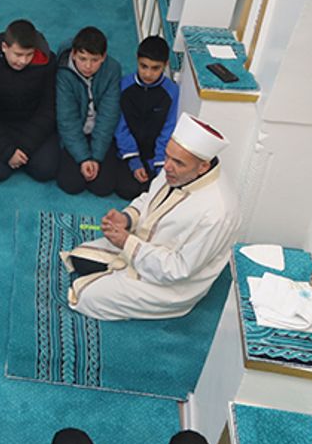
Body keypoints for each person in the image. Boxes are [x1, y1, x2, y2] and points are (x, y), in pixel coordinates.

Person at [61, 114, 241, 320]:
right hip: (144, 245)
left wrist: (127, 243)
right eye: (167, 156)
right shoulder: (178, 170)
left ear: (203, 167)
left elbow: (179, 270)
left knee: (83, 296)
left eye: (178, 162)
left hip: (171, 284)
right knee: (80, 258)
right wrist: (127, 218)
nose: (167, 167)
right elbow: (148, 199)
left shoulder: (218, 213)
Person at [0, 19, 61, 184]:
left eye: (29, 55)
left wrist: (25, 147)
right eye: (18, 54)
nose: (23, 61)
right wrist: (7, 151)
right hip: (0, 124)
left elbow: (49, 108)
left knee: (46, 170)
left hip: (33, 123)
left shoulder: (48, 63)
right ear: (4, 47)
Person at [55, 26, 125, 197]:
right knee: (71, 184)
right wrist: (83, 158)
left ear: (104, 57)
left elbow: (108, 116)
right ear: (73, 54)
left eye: (95, 60)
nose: (88, 66)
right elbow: (67, 120)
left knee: (103, 187)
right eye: (82, 58)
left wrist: (96, 157)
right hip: (76, 131)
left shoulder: (113, 70)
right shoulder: (63, 72)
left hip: (99, 132)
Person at [114, 35, 179, 200]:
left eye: (155, 68)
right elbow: (120, 126)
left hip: (154, 155)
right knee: (125, 190)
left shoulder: (172, 91)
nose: (148, 74)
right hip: (127, 150)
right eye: (144, 66)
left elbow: (168, 129)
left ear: (165, 65)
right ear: (137, 60)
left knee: (157, 191)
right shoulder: (124, 85)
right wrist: (134, 161)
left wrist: (159, 165)